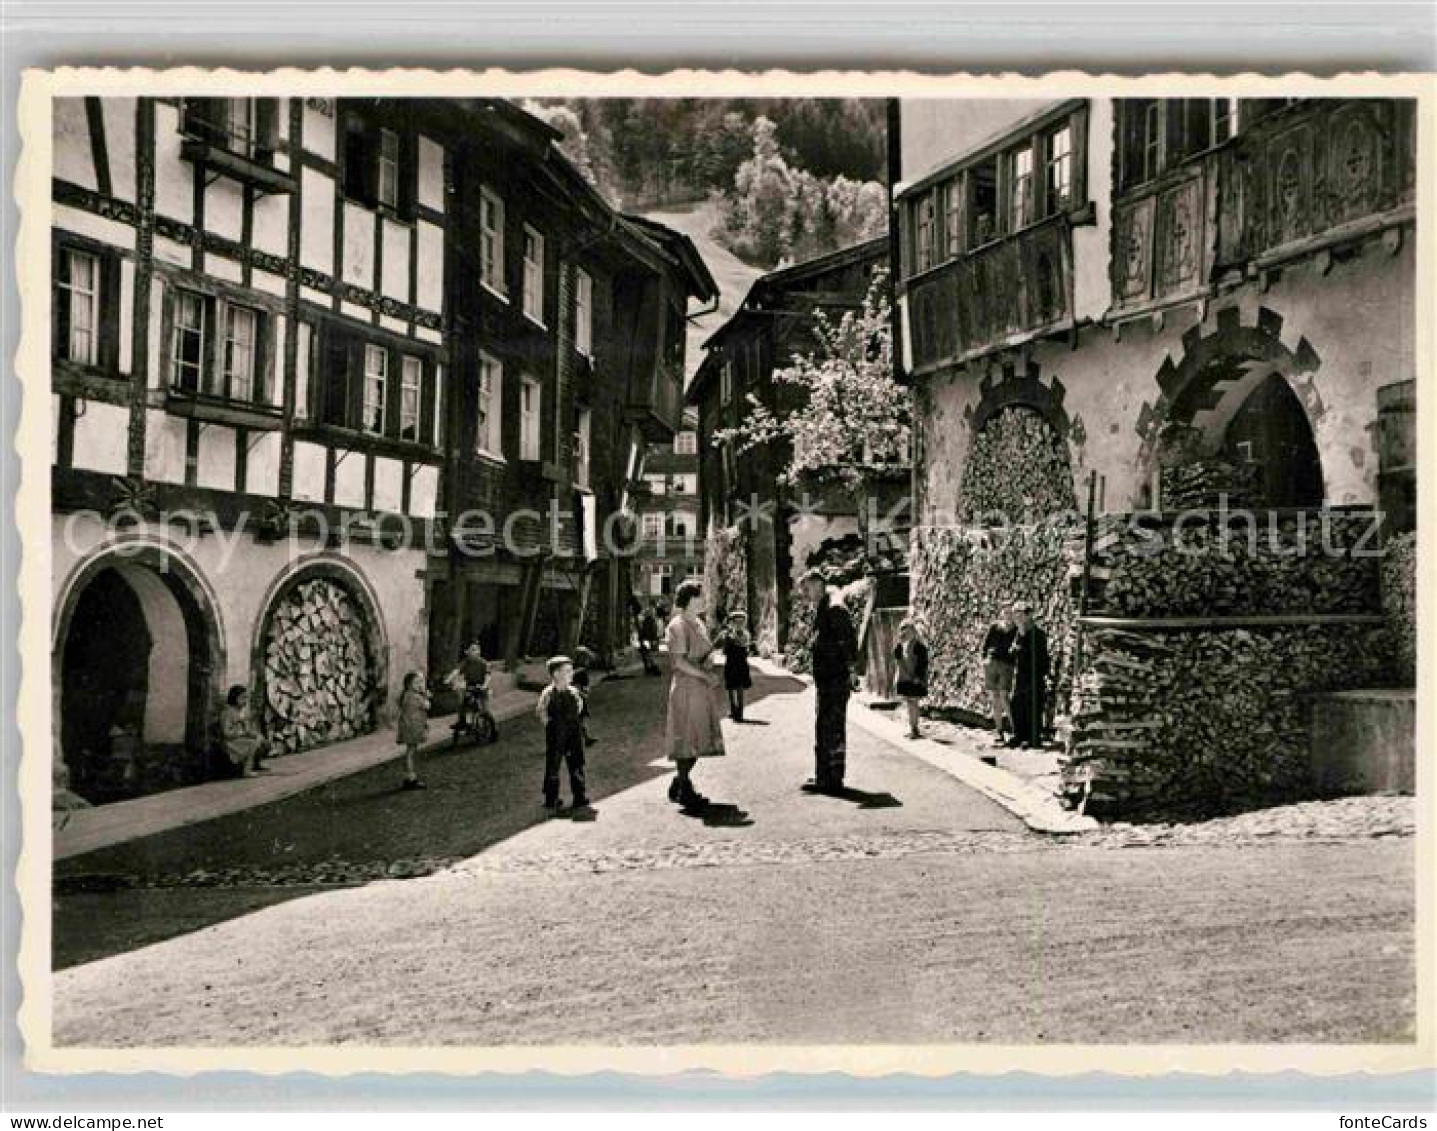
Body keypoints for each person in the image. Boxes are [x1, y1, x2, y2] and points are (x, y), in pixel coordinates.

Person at [663, 580, 725, 807]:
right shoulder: (677, 626)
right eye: (700, 597)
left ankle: (679, 782)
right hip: (687, 687)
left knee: (698, 738)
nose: (704, 600)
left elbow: (704, 650)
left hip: (699, 687)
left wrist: (711, 658)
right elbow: (678, 661)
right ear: (688, 599)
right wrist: (704, 675)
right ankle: (684, 788)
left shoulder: (698, 623)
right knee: (687, 739)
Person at [801, 569, 858, 794]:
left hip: (835, 678)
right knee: (824, 726)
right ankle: (824, 776)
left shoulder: (834, 608)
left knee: (831, 727)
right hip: (827, 678)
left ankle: (832, 779)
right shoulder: (826, 607)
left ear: (818, 584)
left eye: (807, 589)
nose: (806, 595)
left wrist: (852, 671)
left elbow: (847, 642)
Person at [536, 655, 590, 814]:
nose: (571, 674)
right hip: (556, 732)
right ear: (556, 674)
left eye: (570, 671)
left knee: (576, 763)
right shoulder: (547, 693)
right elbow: (541, 710)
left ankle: (579, 795)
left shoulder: (574, 692)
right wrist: (549, 724)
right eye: (567, 671)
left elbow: (579, 708)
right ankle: (551, 797)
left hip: (573, 732)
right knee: (553, 764)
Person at [1009, 601, 1050, 750]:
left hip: (1034, 675)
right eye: (1015, 615)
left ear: (1027, 616)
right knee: (1017, 704)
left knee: (1033, 705)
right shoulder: (1020, 633)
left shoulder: (1037, 634)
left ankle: (1033, 737)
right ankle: (1019, 735)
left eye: (1019, 615)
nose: (1017, 618)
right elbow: (1014, 650)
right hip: (1021, 674)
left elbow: (1040, 656)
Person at [981, 603, 1018, 747]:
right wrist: (985, 659)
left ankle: (1014, 729)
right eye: (1006, 612)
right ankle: (999, 730)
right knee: (994, 698)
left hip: (1006, 665)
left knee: (1004, 696)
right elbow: (986, 645)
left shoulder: (1015, 629)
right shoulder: (995, 627)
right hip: (992, 663)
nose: (1008, 615)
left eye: (1010, 613)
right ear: (1002, 613)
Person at [219, 685, 269, 778]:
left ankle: (256, 763)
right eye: (242, 697)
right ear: (234, 698)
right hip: (230, 742)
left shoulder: (240, 711)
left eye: (246, 698)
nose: (245, 700)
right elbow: (226, 732)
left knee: (260, 739)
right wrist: (242, 733)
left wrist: (253, 734)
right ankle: (247, 770)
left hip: (239, 738)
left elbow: (246, 728)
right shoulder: (228, 712)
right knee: (252, 744)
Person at [893, 618, 930, 740]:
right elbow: (897, 658)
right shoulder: (902, 645)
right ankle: (912, 727)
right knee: (910, 703)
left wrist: (918, 677)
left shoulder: (919, 646)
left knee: (913, 703)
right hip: (905, 678)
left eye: (906, 629)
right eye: (902, 629)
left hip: (914, 679)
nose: (903, 632)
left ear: (913, 631)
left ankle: (914, 728)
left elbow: (923, 663)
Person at [395, 671, 430, 791]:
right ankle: (411, 777)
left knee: (410, 751)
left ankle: (409, 776)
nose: (420, 684)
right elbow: (427, 705)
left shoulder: (406, 695)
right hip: (413, 727)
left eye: (422, 681)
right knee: (411, 751)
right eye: (417, 682)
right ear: (409, 684)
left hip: (408, 725)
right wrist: (424, 694)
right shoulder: (415, 696)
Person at [717, 609, 753, 722]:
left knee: (740, 688)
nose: (739, 624)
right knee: (731, 687)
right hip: (731, 664)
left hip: (741, 664)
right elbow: (724, 649)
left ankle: (740, 712)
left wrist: (730, 637)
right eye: (736, 621)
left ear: (744, 622)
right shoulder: (728, 634)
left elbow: (743, 644)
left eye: (741, 622)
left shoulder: (744, 634)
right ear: (732, 622)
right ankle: (733, 709)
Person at [450, 640, 491, 733]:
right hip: (470, 686)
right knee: (462, 704)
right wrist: (449, 678)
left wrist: (485, 685)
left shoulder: (484, 663)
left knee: (485, 710)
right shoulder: (466, 662)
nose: (474, 652)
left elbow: (488, 676)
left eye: (476, 649)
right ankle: (462, 721)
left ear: (479, 651)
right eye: (471, 650)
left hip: (481, 687)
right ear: (467, 652)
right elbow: (456, 670)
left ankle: (491, 729)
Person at [572, 645, 598, 746]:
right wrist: (582, 692)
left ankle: (586, 738)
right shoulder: (579, 671)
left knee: (579, 720)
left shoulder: (575, 669)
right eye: (586, 658)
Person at [637, 603, 661, 676]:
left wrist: (643, 639)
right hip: (648, 640)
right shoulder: (649, 621)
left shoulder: (648, 621)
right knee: (648, 655)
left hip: (648, 640)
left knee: (647, 655)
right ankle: (651, 668)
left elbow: (648, 631)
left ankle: (651, 668)